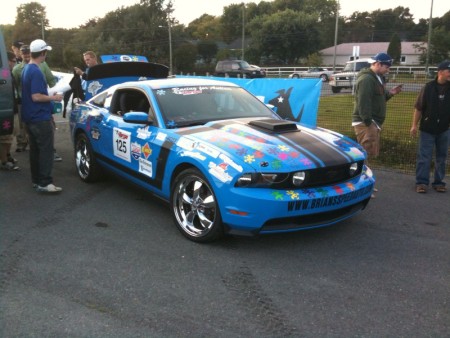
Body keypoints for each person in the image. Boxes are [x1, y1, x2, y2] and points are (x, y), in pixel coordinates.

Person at [352, 52, 402, 197]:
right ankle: (361, 187)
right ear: (378, 64)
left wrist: (391, 93)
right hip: (366, 123)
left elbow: (378, 99)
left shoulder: (377, 78)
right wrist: (369, 122)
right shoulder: (367, 79)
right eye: (387, 66)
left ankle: (366, 184)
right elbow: (363, 102)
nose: (388, 69)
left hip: (371, 122)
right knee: (364, 155)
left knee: (367, 155)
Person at [21, 39, 64, 193]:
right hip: (39, 117)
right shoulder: (36, 71)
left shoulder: (27, 68)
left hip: (29, 117)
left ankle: (37, 180)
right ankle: (45, 182)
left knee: (35, 150)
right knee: (45, 150)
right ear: (43, 53)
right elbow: (36, 96)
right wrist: (54, 97)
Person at [13, 44, 62, 161]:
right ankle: (28, 146)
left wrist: (54, 92)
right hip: (32, 107)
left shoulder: (41, 66)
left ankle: (49, 152)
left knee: (42, 137)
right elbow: (18, 88)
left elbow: (51, 81)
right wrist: (53, 98)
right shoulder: (19, 69)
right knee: (35, 135)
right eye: (23, 53)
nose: (25, 55)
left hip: (39, 107)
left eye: (27, 52)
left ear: (31, 53)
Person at [410, 60, 450, 193]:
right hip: (427, 128)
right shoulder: (428, 87)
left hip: (445, 129)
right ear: (440, 72)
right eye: (448, 71)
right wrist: (414, 125)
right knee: (424, 156)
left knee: (442, 156)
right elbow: (419, 108)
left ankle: (439, 182)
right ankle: (421, 183)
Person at [0, 52, 20, 171]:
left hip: (13, 108)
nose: (14, 63)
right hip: (6, 110)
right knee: (4, 137)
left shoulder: (9, 73)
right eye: (12, 60)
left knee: (11, 135)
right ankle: (3, 161)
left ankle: (7, 155)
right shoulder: (4, 72)